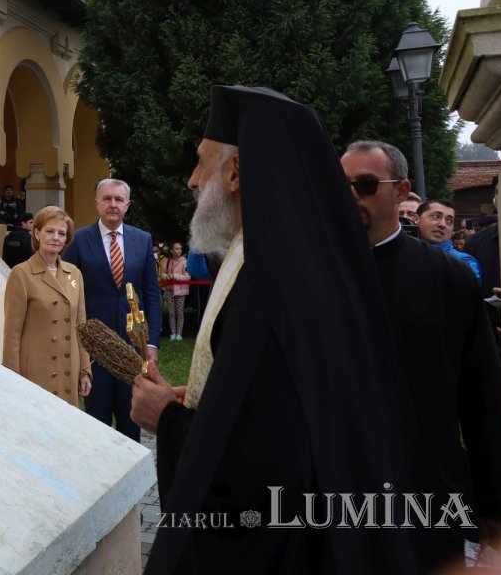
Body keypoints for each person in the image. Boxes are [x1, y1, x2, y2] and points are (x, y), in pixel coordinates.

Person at [130, 86, 418, 574]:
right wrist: (198, 401)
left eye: (202, 163)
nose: (191, 180)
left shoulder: (276, 282)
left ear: (237, 173)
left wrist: (169, 423)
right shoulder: (257, 257)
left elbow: (271, 457)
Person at [341, 141, 501, 569]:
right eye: (340, 184)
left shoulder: (447, 278)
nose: (350, 195)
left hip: (426, 483)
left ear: (402, 192)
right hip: (333, 482)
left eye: (363, 185)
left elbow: (480, 395)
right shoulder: (316, 274)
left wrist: (494, 505)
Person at [64, 178, 162, 441]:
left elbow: (152, 294)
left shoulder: (142, 240)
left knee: (132, 419)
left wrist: (152, 343)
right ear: (97, 203)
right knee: (97, 418)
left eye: (119, 200)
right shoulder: (78, 241)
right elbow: (68, 294)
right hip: (94, 348)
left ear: (127, 205)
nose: (113, 204)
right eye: (107, 198)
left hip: (133, 347)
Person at [1, 206, 92, 407]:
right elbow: (12, 333)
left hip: (68, 369)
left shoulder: (74, 273)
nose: (56, 238)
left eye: (62, 233)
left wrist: (85, 369)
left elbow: (81, 325)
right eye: (50, 231)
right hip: (35, 371)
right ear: (37, 233)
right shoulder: (21, 274)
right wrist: (11, 377)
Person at [418, 198, 482, 283]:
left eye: (449, 221)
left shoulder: (464, 263)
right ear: (416, 219)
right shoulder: (400, 253)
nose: (443, 225)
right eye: (436, 216)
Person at [162, 242, 190, 340]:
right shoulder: (167, 261)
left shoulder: (184, 261)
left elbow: (187, 277)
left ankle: (179, 334)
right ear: (171, 250)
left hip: (180, 290)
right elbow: (163, 274)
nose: (179, 250)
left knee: (179, 312)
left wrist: (174, 276)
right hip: (169, 290)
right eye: (177, 249)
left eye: (180, 249)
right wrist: (167, 277)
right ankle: (173, 334)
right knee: (171, 312)